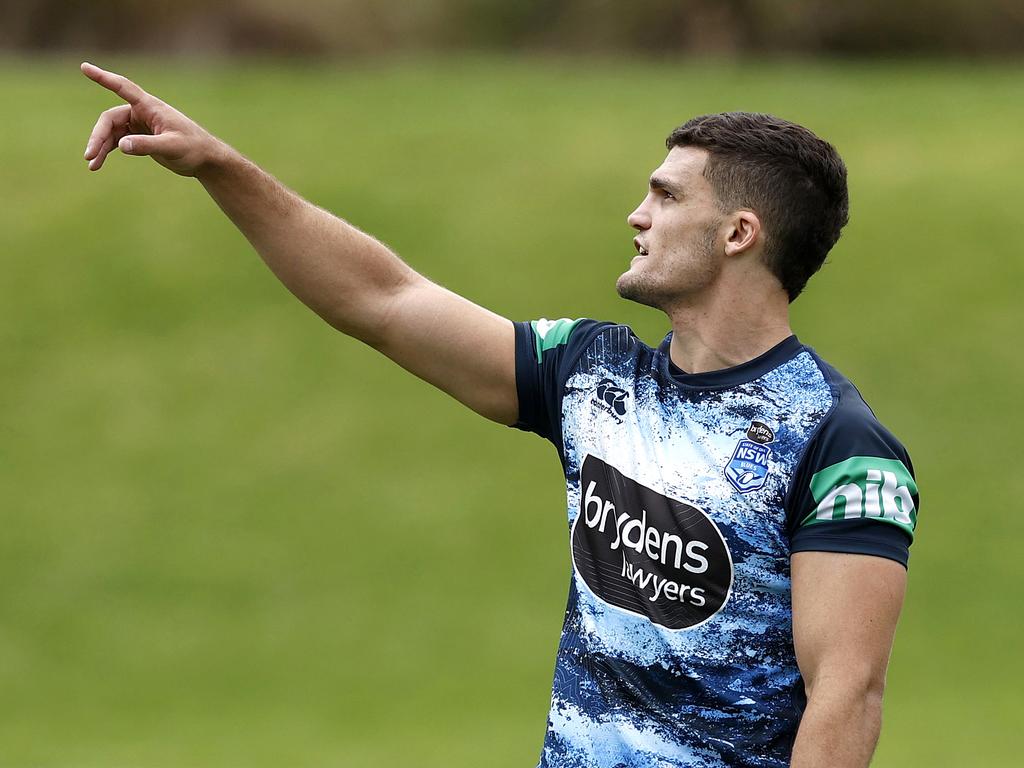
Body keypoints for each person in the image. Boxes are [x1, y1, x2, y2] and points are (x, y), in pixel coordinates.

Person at [81, 61, 919, 768]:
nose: (637, 214)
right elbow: (383, 300)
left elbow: (848, 695)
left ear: (738, 233)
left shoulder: (838, 441)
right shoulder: (590, 374)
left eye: (665, 196)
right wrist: (218, 164)